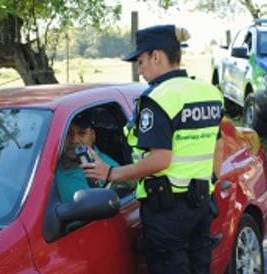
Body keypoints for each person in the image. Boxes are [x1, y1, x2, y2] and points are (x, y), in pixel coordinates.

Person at [81, 25, 223, 274]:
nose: (140, 69)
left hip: (167, 211)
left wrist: (110, 174)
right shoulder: (209, 92)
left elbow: (160, 160)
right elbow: (218, 144)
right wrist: (210, 180)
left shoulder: (158, 98)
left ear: (156, 56)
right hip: (201, 204)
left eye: (141, 60)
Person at [55, 112, 119, 203]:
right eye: (68, 133)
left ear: (93, 136)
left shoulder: (108, 168)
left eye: (82, 133)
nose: (74, 140)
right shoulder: (44, 162)